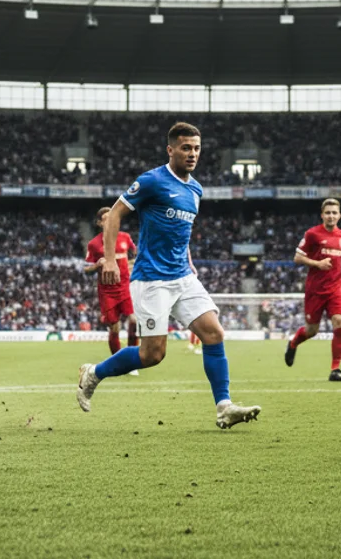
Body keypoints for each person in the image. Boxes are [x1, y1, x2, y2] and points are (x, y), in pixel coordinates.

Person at [75, 122, 261, 429]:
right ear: (170, 149)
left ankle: (224, 406)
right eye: (186, 148)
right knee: (152, 355)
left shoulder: (196, 189)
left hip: (183, 276)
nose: (192, 154)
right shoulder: (152, 180)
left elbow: (181, 234)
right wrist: (109, 260)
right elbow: (116, 214)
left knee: (214, 333)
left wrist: (188, 263)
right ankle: (94, 373)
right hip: (151, 279)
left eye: (197, 148)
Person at [285, 198, 341, 381]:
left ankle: (335, 369)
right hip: (315, 289)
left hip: (336, 288)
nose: (331, 216)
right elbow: (297, 257)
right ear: (322, 215)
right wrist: (317, 263)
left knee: (340, 322)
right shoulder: (312, 234)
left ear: (339, 215)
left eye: (334, 212)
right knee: (312, 330)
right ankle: (294, 343)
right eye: (328, 213)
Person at [83, 207, 140, 375]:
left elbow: (137, 255)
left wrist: (131, 264)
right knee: (114, 328)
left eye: (113, 217)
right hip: (107, 291)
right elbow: (86, 269)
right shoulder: (94, 244)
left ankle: (133, 360)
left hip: (126, 287)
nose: (110, 221)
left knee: (134, 321)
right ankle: (119, 363)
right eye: (106, 218)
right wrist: (96, 265)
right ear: (100, 223)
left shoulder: (125, 238)